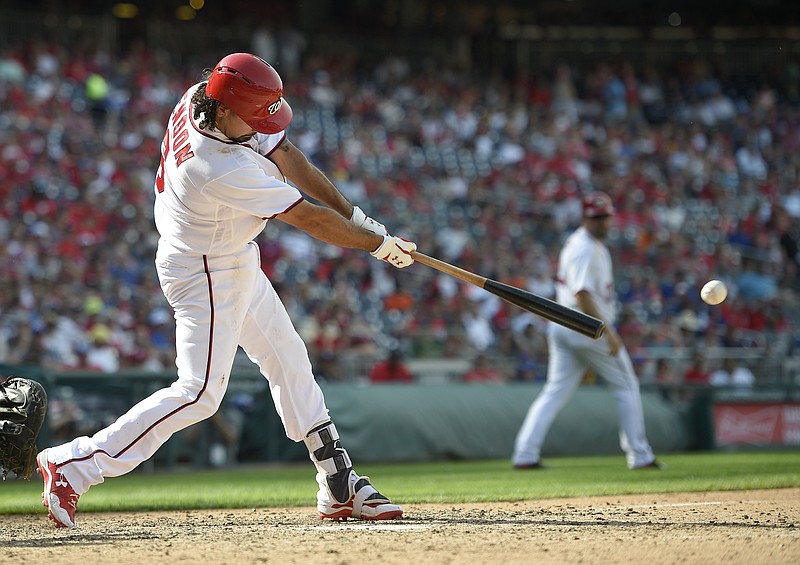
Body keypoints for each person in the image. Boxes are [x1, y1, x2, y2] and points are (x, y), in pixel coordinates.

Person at [36, 53, 417, 528]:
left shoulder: (206, 101)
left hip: (229, 254)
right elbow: (309, 219)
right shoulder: (218, 164)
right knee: (199, 394)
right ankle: (75, 464)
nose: (263, 126)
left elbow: (287, 155)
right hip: (203, 269)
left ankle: (339, 483)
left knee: (288, 358)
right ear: (228, 109)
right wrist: (378, 246)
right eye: (255, 116)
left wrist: (357, 216)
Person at [512, 192, 662, 470]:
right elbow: (582, 293)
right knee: (626, 386)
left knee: (554, 392)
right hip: (585, 326)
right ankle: (640, 455)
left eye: (606, 216)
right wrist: (609, 331)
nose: (603, 222)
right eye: (597, 217)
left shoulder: (586, 244)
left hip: (563, 325)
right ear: (585, 218)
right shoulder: (584, 247)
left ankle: (525, 453)